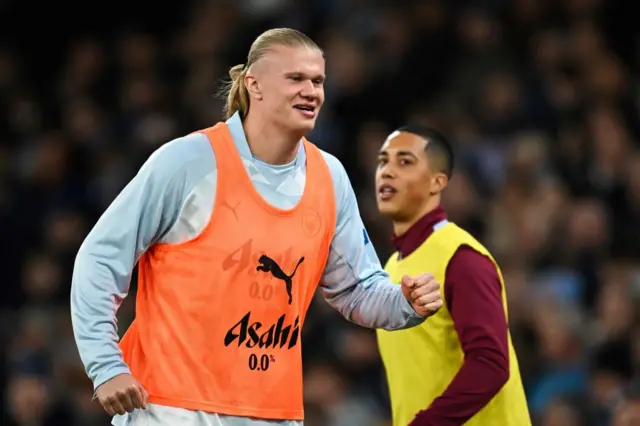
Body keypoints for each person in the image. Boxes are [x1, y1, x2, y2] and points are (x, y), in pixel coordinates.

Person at [70, 28, 443, 426]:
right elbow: (101, 258)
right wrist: (106, 365)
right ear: (254, 84)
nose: (312, 91)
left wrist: (405, 304)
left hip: (272, 414)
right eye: (295, 78)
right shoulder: (188, 161)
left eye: (318, 81)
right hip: (170, 408)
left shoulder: (329, 177)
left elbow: (356, 290)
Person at [374, 125, 532, 426]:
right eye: (383, 161)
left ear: (437, 182)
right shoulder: (390, 268)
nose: (387, 171)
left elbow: (491, 364)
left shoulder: (461, 258)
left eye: (404, 162)